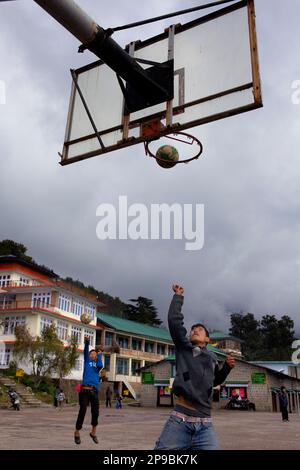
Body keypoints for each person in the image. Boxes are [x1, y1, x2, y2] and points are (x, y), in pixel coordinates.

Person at [155, 284, 235, 450]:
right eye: (192, 330)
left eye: (200, 329)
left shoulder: (212, 358)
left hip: (205, 425)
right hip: (180, 420)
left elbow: (213, 381)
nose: (194, 331)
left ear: (207, 339)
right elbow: (174, 322)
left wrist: (226, 368)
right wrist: (178, 297)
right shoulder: (185, 348)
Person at [74, 337, 103, 445]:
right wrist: (87, 342)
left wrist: (99, 354)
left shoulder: (97, 365)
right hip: (85, 390)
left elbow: (100, 365)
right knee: (82, 411)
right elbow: (86, 351)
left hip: (94, 391)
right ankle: (77, 432)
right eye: (91, 354)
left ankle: (93, 432)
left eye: (94, 354)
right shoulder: (87, 361)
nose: (92, 355)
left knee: (95, 412)